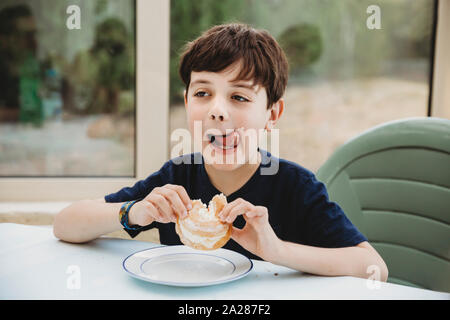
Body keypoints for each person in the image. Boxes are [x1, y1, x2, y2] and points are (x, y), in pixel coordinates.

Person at [54, 23, 388, 281]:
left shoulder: (295, 187)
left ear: (272, 115)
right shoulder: (176, 177)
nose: (217, 111)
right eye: (202, 93)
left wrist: (277, 250)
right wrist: (133, 212)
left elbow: (374, 268)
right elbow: (65, 225)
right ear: (187, 103)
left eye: (239, 97)